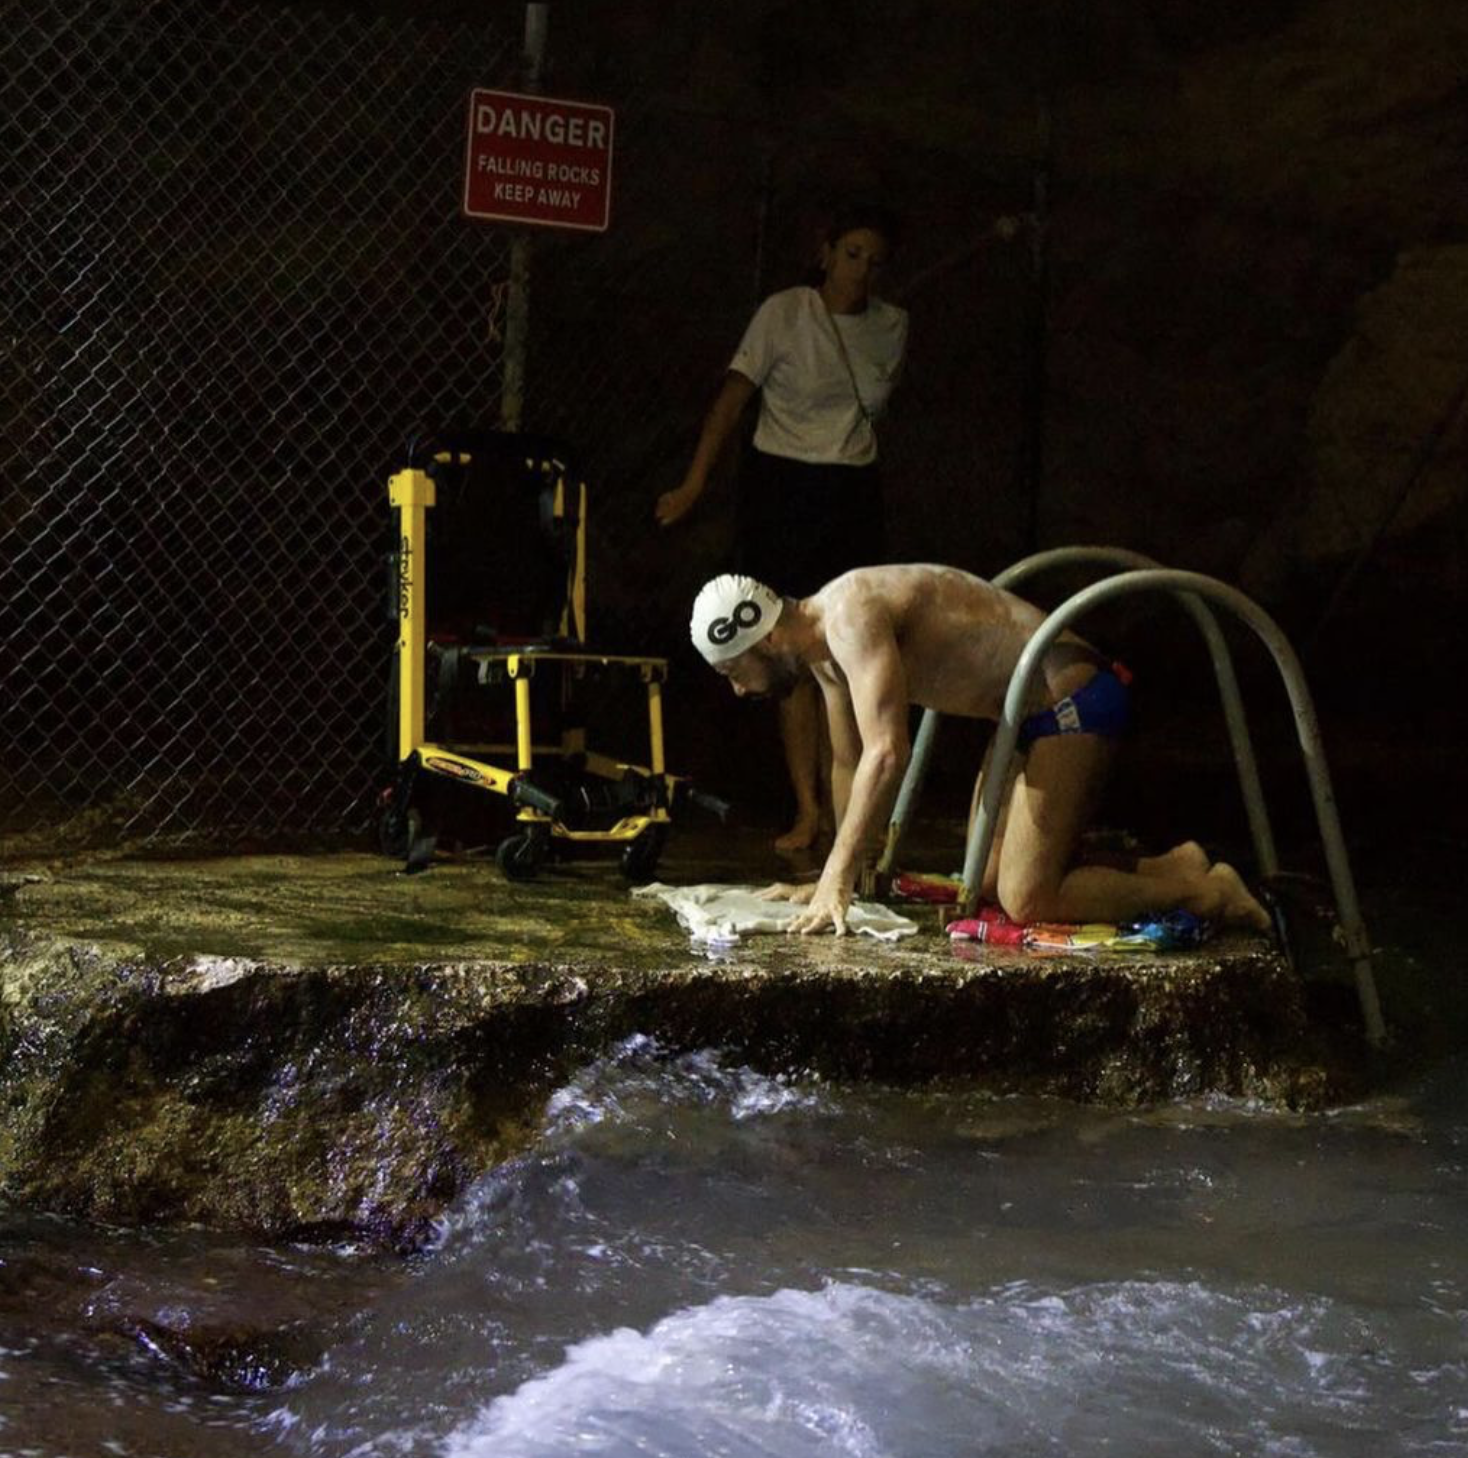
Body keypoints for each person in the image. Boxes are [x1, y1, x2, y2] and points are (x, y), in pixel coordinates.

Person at [687, 567, 1273, 938]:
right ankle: (1175, 866)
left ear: (763, 638)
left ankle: (1208, 893)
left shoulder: (850, 614)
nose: (739, 690)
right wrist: (838, 878)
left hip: (1073, 701)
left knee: (1027, 899)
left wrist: (836, 880)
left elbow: (888, 753)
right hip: (1021, 718)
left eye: (736, 672)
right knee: (990, 878)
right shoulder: (824, 656)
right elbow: (849, 761)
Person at [656, 202, 909, 853]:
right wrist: (694, 483)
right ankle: (807, 809)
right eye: (852, 254)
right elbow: (733, 399)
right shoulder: (785, 312)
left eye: (875, 261)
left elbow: (875, 412)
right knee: (790, 648)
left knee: (848, 646)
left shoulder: (891, 326)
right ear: (825, 252)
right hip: (783, 485)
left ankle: (852, 813)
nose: (861, 271)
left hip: (851, 487)